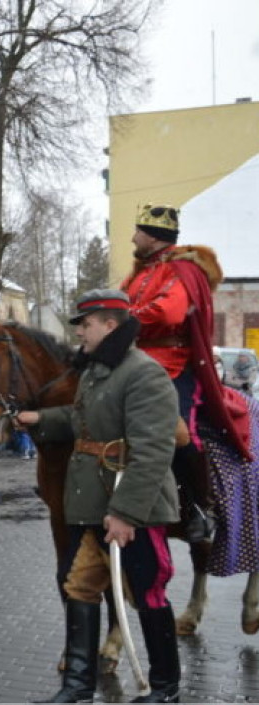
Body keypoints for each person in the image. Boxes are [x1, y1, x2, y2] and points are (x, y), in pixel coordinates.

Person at [17, 289, 181, 704]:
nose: (80, 335)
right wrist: (40, 418)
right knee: (79, 586)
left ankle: (164, 686)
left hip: (133, 507)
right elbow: (80, 419)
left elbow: (154, 450)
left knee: (147, 592)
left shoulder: (145, 373)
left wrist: (125, 513)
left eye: (85, 325)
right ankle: (77, 684)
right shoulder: (94, 372)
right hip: (90, 502)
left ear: (110, 325)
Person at [121, 203, 250, 543]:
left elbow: (169, 312)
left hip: (173, 366)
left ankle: (199, 507)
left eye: (138, 231)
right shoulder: (140, 272)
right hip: (131, 360)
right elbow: (115, 303)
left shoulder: (182, 271)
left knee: (177, 430)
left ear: (151, 236)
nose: (133, 237)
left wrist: (126, 318)